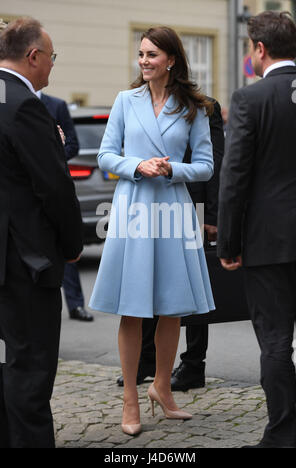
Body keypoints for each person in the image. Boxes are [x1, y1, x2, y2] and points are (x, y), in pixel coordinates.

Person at [89, 26, 215, 436]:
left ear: (171, 60)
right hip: (134, 208)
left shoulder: (193, 107)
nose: (144, 61)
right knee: (133, 306)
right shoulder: (126, 101)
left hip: (174, 208)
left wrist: (173, 169)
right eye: (141, 54)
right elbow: (107, 154)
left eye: (152, 55)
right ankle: (131, 398)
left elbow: (206, 165)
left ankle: (162, 388)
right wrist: (136, 165)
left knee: (171, 306)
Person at [217, 11, 296, 448]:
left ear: (260, 50)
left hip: (268, 241)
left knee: (275, 343)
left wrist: (227, 242)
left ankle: (283, 435)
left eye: (250, 47)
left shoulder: (250, 99)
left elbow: (235, 177)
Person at [0, 17, 83, 448]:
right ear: (33, 57)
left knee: (8, 366)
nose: (52, 67)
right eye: (51, 58)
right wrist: (72, 246)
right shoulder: (25, 104)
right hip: (24, 262)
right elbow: (52, 186)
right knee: (30, 372)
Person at [116, 98, 224, 390]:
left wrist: (212, 215)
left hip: (192, 204)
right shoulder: (136, 102)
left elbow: (215, 158)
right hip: (148, 200)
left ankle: (192, 364)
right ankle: (146, 361)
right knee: (148, 282)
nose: (146, 61)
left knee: (188, 286)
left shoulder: (203, 106)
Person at [38, 92, 94, 322]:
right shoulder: (9, 97)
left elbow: (72, 143)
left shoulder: (56, 105)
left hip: (54, 186)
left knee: (65, 247)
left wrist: (49, 157)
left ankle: (76, 305)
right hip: (24, 194)